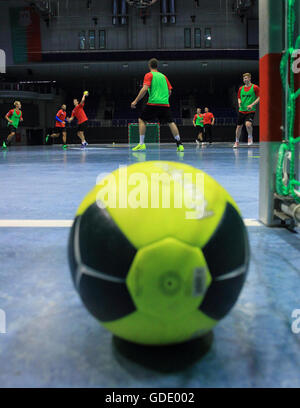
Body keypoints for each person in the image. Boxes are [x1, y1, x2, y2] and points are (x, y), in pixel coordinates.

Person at [131, 58, 184, 152]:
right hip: (165, 104)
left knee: (142, 120)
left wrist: (135, 101)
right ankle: (179, 144)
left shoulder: (149, 75)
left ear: (149, 66)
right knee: (171, 122)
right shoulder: (164, 76)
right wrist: (164, 98)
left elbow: (144, 89)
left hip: (153, 103)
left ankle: (141, 144)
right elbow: (170, 91)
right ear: (157, 66)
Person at [233, 73, 260, 148]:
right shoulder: (241, 88)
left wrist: (252, 105)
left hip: (250, 110)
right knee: (238, 127)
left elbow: (259, 97)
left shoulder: (255, 87)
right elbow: (238, 97)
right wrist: (239, 102)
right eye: (244, 78)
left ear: (249, 78)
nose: (245, 80)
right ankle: (236, 141)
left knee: (248, 124)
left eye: (246, 78)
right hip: (242, 110)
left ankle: (250, 137)